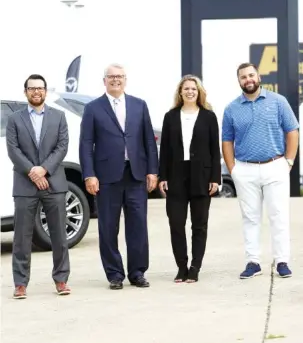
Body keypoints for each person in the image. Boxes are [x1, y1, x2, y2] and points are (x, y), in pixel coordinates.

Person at [79, 63, 158, 290]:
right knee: (108, 227)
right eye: (111, 76)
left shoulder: (139, 105)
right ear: (104, 80)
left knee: (138, 226)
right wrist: (89, 175)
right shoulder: (93, 108)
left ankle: (137, 272)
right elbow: (86, 144)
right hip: (106, 177)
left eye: (120, 76)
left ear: (126, 79)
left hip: (135, 175)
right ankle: (114, 274)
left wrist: (152, 170)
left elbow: (148, 142)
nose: (116, 80)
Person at [222, 63, 299, 279]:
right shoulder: (231, 109)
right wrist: (233, 169)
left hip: (275, 166)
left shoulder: (278, 102)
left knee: (279, 215)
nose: (248, 79)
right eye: (243, 77)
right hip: (245, 169)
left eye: (251, 75)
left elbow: (292, 131)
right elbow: (227, 141)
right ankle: (253, 262)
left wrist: (289, 162)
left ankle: (282, 260)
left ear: (258, 76)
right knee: (250, 217)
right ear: (239, 81)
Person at [6, 74, 71, 299]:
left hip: (54, 182)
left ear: (45, 91)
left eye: (40, 88)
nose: (36, 92)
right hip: (25, 184)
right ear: (25, 92)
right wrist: (33, 172)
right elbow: (13, 150)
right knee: (21, 236)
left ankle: (61, 279)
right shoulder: (14, 119)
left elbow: (62, 146)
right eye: (32, 88)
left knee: (59, 235)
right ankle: (20, 283)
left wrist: (43, 169)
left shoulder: (59, 117)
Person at [158, 75, 221, 283]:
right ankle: (181, 266)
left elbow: (214, 149)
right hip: (176, 175)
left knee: (199, 225)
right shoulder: (170, 117)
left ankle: (195, 267)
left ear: (199, 92)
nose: (190, 91)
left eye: (194, 88)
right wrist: (163, 176)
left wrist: (215, 178)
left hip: (201, 176)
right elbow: (164, 150)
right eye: (186, 88)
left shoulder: (209, 117)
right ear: (180, 92)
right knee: (176, 223)